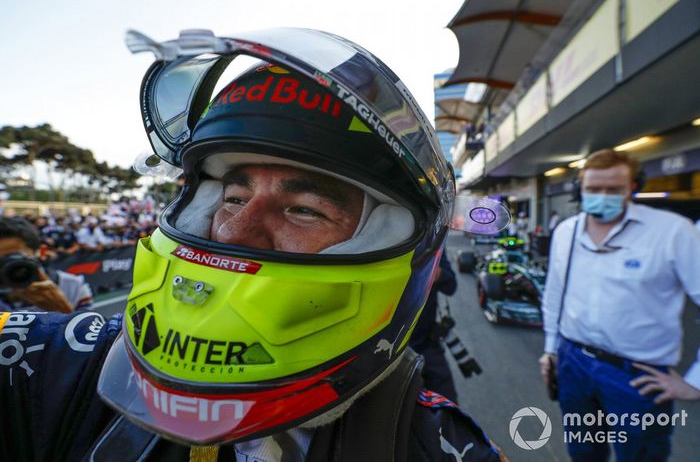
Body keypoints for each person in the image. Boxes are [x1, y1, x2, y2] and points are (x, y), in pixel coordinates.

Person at [0, 29, 505, 461]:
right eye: (234, 196)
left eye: (304, 209)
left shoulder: (442, 446)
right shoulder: (52, 362)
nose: (233, 231)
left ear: (392, 243)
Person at [539, 149, 700, 461]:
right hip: (573, 363)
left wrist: (695, 382)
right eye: (594, 189)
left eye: (614, 189)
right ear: (579, 189)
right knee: (583, 452)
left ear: (633, 188)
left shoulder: (672, 232)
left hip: (637, 375)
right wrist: (551, 350)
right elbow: (554, 295)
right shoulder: (566, 232)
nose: (603, 196)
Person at [0, 216, 92, 312]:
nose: (4, 267)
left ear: (41, 252)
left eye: (11, 258)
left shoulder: (73, 287)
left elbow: (89, 326)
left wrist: (61, 309)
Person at [409, 251, 459, 402]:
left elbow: (451, 286)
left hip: (425, 343)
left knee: (448, 405)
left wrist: (438, 274)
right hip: (384, 351)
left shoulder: (433, 244)